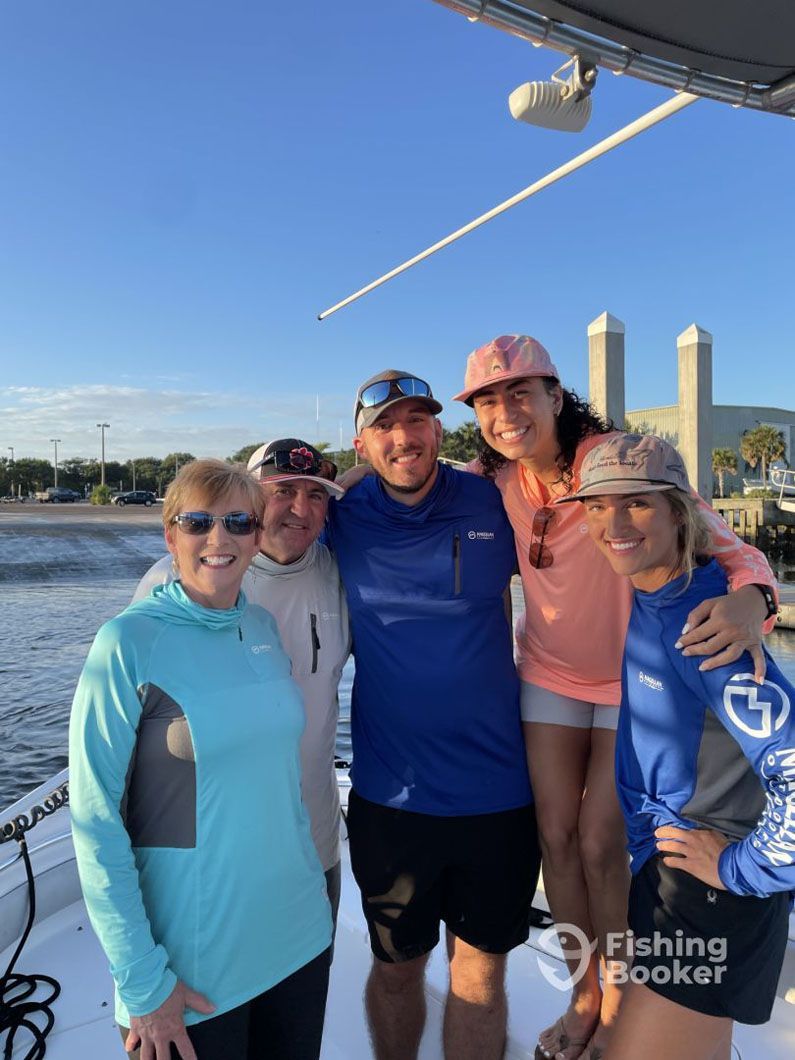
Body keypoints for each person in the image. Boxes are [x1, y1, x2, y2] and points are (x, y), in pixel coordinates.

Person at [453, 335, 779, 1060]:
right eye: (487, 400)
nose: (505, 412)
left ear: (552, 396)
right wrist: (346, 485)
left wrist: (755, 599)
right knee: (556, 839)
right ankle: (584, 992)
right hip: (544, 673)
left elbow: (720, 540)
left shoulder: (614, 460)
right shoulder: (494, 476)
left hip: (627, 685)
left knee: (603, 842)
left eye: (519, 394)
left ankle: (625, 991)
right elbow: (419, 482)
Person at [69, 459, 332, 1060]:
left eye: (239, 522)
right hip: (191, 971)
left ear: (257, 536)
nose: (219, 539)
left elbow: (276, 782)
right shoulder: (128, 643)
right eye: (198, 522)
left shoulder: (263, 628)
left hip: (299, 936)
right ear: (170, 536)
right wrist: (142, 979)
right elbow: (96, 823)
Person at [325, 370, 539, 1060]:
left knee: (478, 974)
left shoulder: (489, 499)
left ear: (438, 432)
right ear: (362, 445)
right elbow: (247, 526)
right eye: (385, 426)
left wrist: (750, 589)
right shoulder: (336, 516)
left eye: (416, 421)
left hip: (499, 794)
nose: (403, 437)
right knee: (396, 972)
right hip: (392, 798)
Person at [558, 432, 793, 1060]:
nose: (614, 523)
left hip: (711, 886)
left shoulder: (705, 625)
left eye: (637, 503)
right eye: (598, 506)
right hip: (670, 872)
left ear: (679, 512)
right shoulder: (657, 596)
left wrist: (742, 869)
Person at [132, 439, 350, 927]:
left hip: (313, 845)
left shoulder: (339, 575)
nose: (301, 509)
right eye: (284, 491)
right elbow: (128, 737)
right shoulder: (177, 580)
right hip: (210, 860)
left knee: (306, 993)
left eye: (316, 496)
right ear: (251, 499)